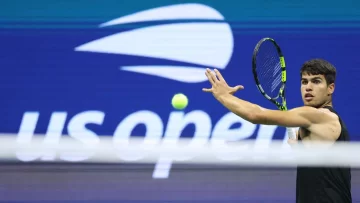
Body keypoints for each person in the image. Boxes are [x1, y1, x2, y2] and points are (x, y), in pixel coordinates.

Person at [202, 59, 351, 203]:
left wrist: (223, 96)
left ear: (330, 88)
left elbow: (256, 115)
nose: (308, 87)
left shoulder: (320, 116)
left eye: (316, 81)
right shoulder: (316, 124)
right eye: (304, 81)